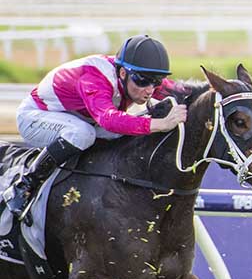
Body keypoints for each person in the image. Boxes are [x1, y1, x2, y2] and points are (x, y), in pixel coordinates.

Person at [4, 35, 187, 222]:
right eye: (143, 81)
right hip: (35, 117)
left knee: (118, 132)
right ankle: (24, 186)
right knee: (83, 134)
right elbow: (108, 119)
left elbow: (182, 91)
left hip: (76, 118)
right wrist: (160, 124)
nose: (150, 89)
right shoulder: (95, 78)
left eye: (156, 81)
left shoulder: (136, 77)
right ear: (123, 73)